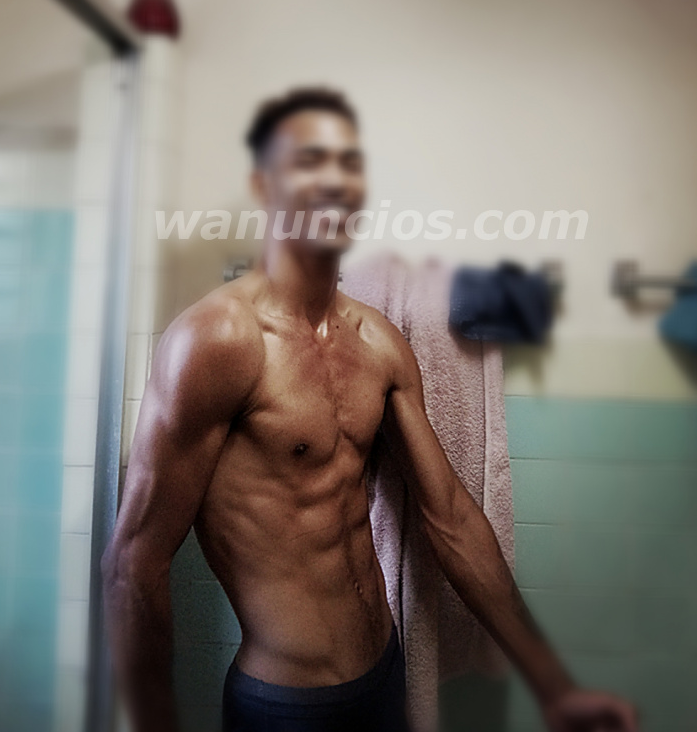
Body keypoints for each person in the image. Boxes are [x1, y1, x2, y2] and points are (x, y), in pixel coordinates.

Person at [102, 86, 639, 732]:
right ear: (263, 185)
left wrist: (555, 687)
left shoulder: (377, 341)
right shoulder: (218, 341)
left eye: (348, 164)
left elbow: (452, 519)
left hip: (384, 680)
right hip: (288, 706)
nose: (334, 180)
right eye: (309, 160)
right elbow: (135, 564)